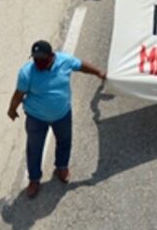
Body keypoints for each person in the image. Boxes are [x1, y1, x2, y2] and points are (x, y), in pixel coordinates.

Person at [7, 40, 106, 197]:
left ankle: (62, 166)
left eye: (42, 59)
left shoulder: (64, 61)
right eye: (36, 59)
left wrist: (99, 72)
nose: (39, 62)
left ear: (52, 56)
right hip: (36, 118)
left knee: (64, 141)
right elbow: (19, 94)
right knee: (34, 149)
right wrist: (12, 109)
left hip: (62, 115)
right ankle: (34, 179)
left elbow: (81, 66)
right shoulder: (26, 72)